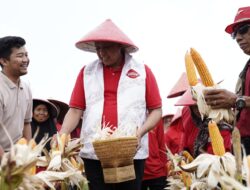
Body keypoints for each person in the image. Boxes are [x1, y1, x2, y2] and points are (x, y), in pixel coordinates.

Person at [57, 19, 162, 190]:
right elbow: (75, 110)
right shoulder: (87, 72)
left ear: (120, 46)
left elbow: (156, 111)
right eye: (98, 48)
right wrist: (62, 135)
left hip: (129, 151)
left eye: (106, 48)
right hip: (94, 151)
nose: (101, 53)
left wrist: (140, 133)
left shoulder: (142, 71)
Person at [204, 6, 250, 155]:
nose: (237, 37)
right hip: (243, 144)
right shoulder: (245, 70)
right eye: (235, 34)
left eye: (243, 29)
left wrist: (237, 100)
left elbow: (239, 101)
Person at [0, 36, 32, 156]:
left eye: (26, 55)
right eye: (20, 56)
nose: (25, 60)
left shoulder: (26, 87)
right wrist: (6, 163)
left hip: (17, 156)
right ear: (3, 61)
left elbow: (27, 123)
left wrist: (28, 154)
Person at [177, 89, 232, 158]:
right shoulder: (194, 123)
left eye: (200, 106)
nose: (197, 110)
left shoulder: (221, 127)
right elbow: (185, 146)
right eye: (194, 107)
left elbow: (219, 157)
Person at [141, 119, 167, 190]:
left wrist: (164, 168)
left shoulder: (157, 117)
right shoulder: (129, 116)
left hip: (156, 171)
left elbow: (161, 145)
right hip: (137, 172)